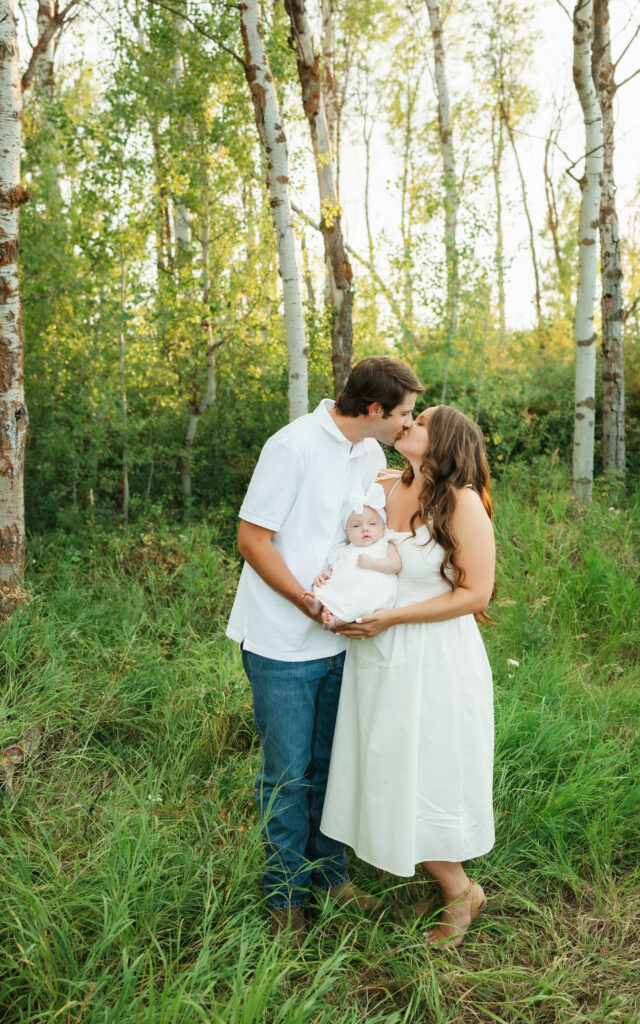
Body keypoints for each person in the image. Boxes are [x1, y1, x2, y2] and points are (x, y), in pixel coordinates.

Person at [226, 357, 424, 945]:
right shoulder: (292, 447)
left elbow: (367, 527)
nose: (407, 424)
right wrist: (304, 603)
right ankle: (284, 895)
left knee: (333, 765)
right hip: (283, 640)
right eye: (404, 414)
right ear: (373, 410)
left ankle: (330, 875)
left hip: (342, 637)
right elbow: (251, 539)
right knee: (287, 775)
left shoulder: (367, 454)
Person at [321, 405, 496, 947]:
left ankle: (459, 890)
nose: (408, 424)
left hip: (434, 654)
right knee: (387, 766)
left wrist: (392, 616)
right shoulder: (383, 487)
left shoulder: (463, 502)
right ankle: (435, 875)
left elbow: (475, 595)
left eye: (419, 421)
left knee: (427, 769)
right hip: (378, 655)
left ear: (441, 441)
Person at [302, 482, 402, 631]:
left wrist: (373, 563)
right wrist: (327, 573)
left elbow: (396, 565)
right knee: (327, 589)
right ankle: (318, 602)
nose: (365, 529)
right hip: (346, 587)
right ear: (347, 533)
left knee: (357, 604)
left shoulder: (385, 546)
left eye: (373, 523)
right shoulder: (344, 550)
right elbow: (336, 568)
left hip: (371, 592)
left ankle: (334, 621)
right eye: (356, 526)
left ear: (383, 527)